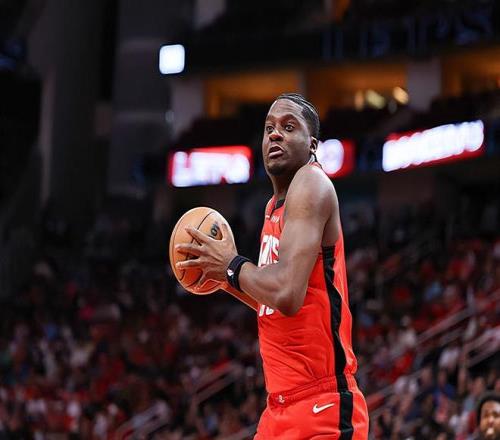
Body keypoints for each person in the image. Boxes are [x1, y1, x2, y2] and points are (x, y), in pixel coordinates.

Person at [176, 93, 369, 438]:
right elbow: (274, 302)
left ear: (312, 145)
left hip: (321, 405)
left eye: (288, 127)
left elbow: (286, 293)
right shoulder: (273, 207)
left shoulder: (311, 183)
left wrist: (232, 265)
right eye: (269, 128)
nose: (275, 134)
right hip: (279, 408)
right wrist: (223, 277)